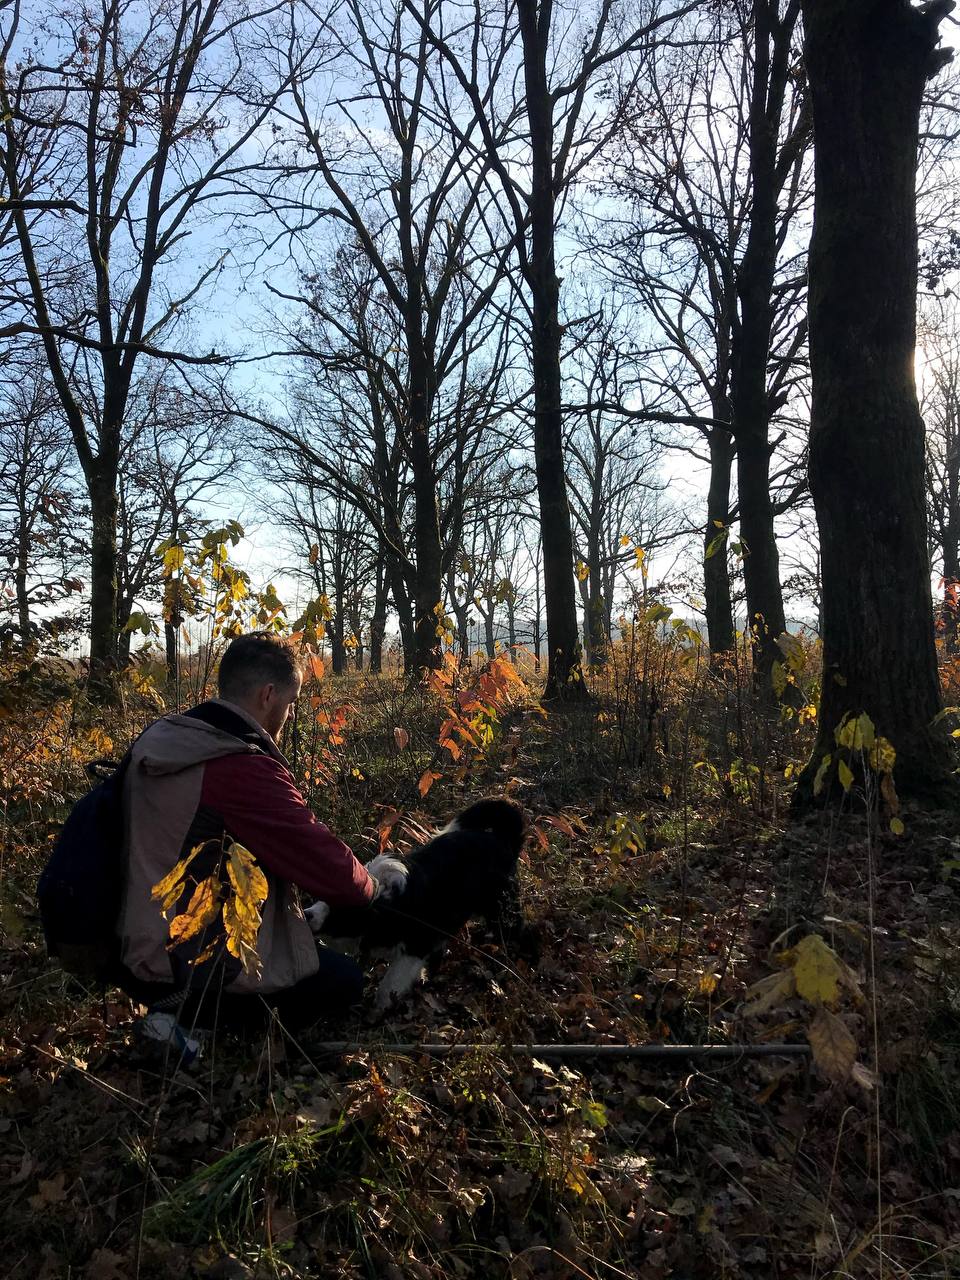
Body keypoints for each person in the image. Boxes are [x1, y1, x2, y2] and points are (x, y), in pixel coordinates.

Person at [116, 631, 387, 1038]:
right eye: (291, 703)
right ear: (268, 695)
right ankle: (190, 1022)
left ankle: (180, 1012)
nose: (290, 715)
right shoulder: (238, 766)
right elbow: (329, 869)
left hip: (133, 943)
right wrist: (373, 887)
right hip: (190, 963)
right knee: (345, 981)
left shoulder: (165, 740)